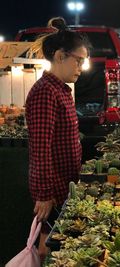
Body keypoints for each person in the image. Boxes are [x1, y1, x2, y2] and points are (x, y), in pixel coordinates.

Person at [25, 27, 90, 261]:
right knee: (48, 250)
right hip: (52, 191)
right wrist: (44, 195)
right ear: (61, 56)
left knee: (53, 245)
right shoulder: (45, 93)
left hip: (65, 185)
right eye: (79, 61)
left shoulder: (61, 90)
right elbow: (40, 150)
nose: (81, 69)